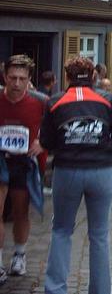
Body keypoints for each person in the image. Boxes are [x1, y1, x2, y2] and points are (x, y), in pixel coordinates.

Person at [40, 56, 112, 294]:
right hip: (102, 170)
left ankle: (55, 289)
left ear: (67, 76)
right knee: (99, 235)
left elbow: (46, 141)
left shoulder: (55, 101)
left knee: (61, 230)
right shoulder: (107, 99)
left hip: (67, 170)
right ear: (94, 76)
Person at [0, 55, 47, 285]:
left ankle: (19, 255)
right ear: (4, 77)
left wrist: (42, 143)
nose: (16, 83)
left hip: (24, 162)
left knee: (20, 212)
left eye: (22, 78)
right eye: (12, 78)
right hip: (1, 159)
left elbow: (53, 127)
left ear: (29, 79)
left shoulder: (41, 102)